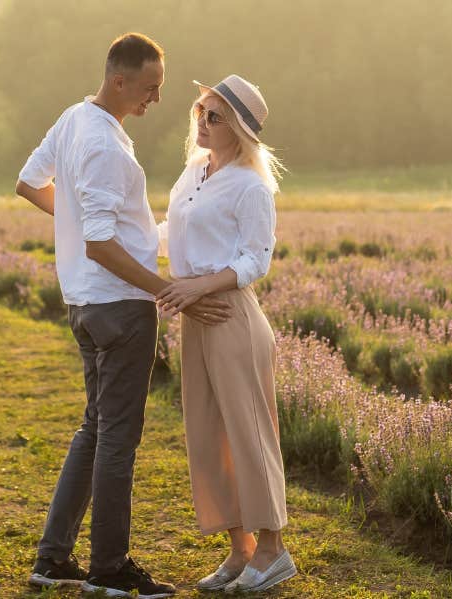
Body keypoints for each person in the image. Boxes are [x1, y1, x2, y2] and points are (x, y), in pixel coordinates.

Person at [15, 33, 231, 598]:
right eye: (150, 87)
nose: (156, 99)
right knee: (117, 439)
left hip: (84, 302)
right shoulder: (107, 147)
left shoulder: (73, 119)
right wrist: (164, 289)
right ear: (119, 80)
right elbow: (101, 242)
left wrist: (75, 218)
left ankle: (53, 557)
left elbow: (28, 182)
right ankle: (108, 568)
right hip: (119, 305)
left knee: (94, 429)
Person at [155, 74, 295, 593]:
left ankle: (274, 550)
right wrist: (120, 244)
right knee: (209, 435)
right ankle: (240, 549)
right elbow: (172, 232)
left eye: (215, 117)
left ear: (239, 129)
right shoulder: (194, 172)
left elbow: (255, 260)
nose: (203, 123)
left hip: (232, 316)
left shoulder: (251, 185)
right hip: (195, 318)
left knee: (250, 433)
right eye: (200, 112)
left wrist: (197, 288)